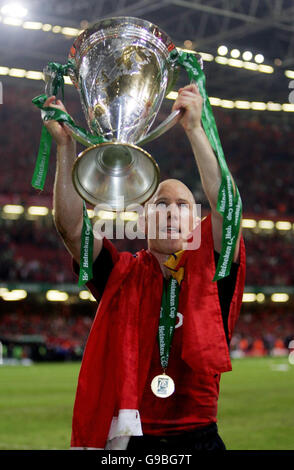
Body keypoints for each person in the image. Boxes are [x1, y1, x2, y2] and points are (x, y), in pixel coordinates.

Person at [43, 83, 246, 451]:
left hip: (198, 437)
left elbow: (228, 210)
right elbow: (71, 228)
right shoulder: (120, 274)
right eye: (160, 204)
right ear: (142, 220)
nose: (170, 212)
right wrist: (65, 147)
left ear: (197, 222)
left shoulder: (213, 273)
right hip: (130, 438)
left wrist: (196, 130)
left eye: (182, 205)